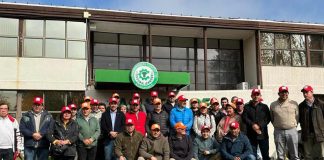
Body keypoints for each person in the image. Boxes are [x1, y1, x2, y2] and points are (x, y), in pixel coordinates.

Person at [270, 86, 299, 160]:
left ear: (288, 93)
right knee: (280, 155)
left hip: (291, 130)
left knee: (294, 154)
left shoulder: (294, 103)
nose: (284, 94)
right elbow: (272, 118)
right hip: (278, 131)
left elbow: (297, 117)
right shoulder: (273, 105)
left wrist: (292, 125)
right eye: (282, 92)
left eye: (285, 92)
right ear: (278, 93)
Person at [242, 89, 271, 160]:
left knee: (265, 155)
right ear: (251, 96)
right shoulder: (247, 107)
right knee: (253, 156)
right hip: (251, 135)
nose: (256, 96)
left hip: (263, 134)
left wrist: (259, 126)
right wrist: (253, 125)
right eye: (254, 95)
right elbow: (245, 118)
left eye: (257, 94)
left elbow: (268, 118)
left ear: (260, 96)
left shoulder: (264, 107)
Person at [299, 85, 324, 159]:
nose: (305, 94)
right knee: (308, 155)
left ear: (312, 92)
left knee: (322, 155)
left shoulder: (321, 104)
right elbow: (300, 119)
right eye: (303, 93)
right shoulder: (301, 106)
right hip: (307, 134)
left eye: (306, 92)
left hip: (320, 134)